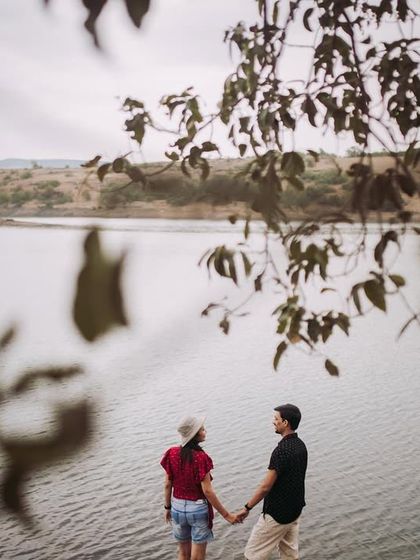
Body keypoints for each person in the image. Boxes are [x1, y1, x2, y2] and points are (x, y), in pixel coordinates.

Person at [160, 415, 239, 560]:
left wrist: (167, 508)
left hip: (176, 507)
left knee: (183, 554)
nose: (205, 431)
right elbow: (207, 491)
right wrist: (227, 515)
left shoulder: (171, 453)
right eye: (202, 429)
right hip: (197, 510)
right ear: (195, 434)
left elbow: (167, 484)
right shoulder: (201, 457)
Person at [237, 403, 308, 560]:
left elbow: (265, 486)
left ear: (285, 423)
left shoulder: (281, 451)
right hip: (295, 510)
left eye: (276, 418)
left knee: (252, 554)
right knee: (290, 554)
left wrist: (247, 507)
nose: (273, 421)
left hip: (277, 514)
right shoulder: (300, 445)